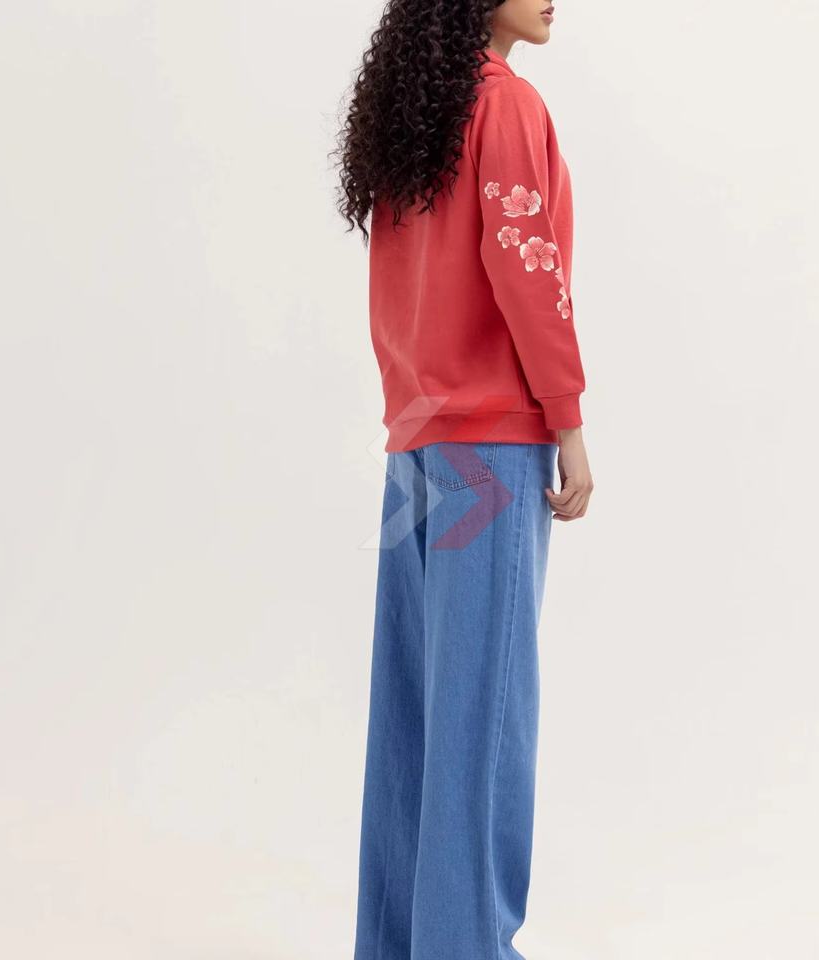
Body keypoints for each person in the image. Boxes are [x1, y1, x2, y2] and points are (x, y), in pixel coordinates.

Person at [333, 2, 594, 957]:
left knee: (414, 717)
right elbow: (529, 273)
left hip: (417, 445)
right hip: (489, 448)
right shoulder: (503, 104)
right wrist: (567, 421)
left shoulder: (419, 111)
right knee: (480, 722)